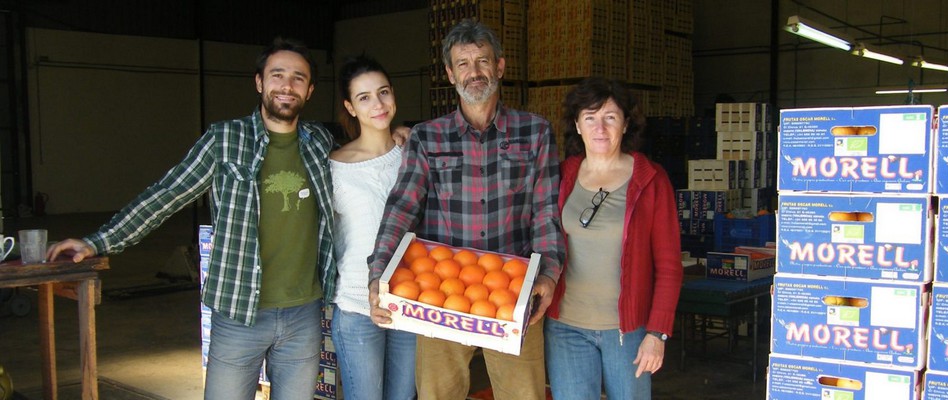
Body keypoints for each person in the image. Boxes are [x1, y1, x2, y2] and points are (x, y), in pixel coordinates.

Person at [46, 37, 337, 400]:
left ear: (309, 91)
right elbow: (166, 195)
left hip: (303, 314)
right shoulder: (224, 139)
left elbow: (360, 170)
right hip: (238, 310)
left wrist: (396, 138)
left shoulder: (319, 144)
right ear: (259, 82)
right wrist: (98, 241)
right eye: (277, 75)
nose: (287, 85)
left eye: (298, 78)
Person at [367, 19, 566, 400]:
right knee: (438, 394)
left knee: (523, 395)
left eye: (482, 61)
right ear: (449, 73)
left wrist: (550, 274)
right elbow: (402, 207)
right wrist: (380, 273)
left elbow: (545, 212)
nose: (474, 72)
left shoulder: (535, 132)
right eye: (462, 63)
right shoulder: (428, 136)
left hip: (512, 293)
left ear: (500, 67)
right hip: (442, 294)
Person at [544, 77, 684, 400]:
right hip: (566, 328)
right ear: (577, 126)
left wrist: (657, 332)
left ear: (626, 124)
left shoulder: (651, 180)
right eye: (590, 118)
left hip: (628, 332)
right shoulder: (562, 175)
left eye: (610, 117)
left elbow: (669, 265)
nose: (600, 128)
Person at [327, 55, 416, 400]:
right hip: (356, 306)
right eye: (364, 97)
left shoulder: (414, 152)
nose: (377, 104)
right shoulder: (334, 167)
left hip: (410, 302)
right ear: (350, 106)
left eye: (383, 93)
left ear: (393, 95)